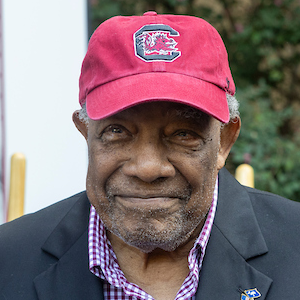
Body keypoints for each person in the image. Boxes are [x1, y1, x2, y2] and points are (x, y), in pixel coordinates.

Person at [0, 12, 299, 300]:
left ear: (224, 141)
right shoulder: (8, 259)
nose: (147, 168)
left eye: (183, 134)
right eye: (117, 131)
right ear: (85, 133)